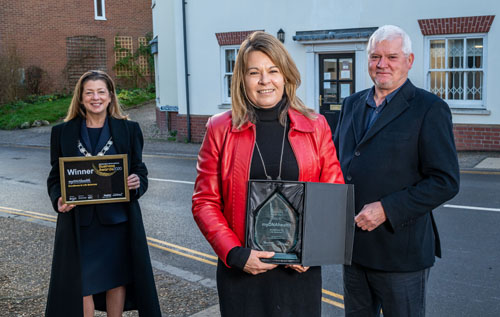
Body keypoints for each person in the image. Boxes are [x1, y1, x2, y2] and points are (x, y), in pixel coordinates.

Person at [192, 31, 344, 316]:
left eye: (273, 70)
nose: (265, 81)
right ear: (242, 79)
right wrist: (235, 254)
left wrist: (313, 250)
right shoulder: (219, 129)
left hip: (299, 272)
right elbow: (204, 202)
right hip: (242, 271)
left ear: (285, 75)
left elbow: (332, 194)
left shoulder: (316, 125)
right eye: (254, 72)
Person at [334, 25, 460, 316]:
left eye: (391, 56)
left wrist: (387, 209)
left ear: (409, 61)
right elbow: (336, 164)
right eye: (375, 56)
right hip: (353, 249)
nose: (382, 64)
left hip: (400, 254)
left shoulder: (430, 108)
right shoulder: (351, 104)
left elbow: (445, 181)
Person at [46, 70, 161, 316]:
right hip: (80, 223)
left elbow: (140, 170)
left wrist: (136, 181)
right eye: (89, 92)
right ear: (81, 98)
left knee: (115, 279)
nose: (95, 97)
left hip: (117, 220)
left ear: (110, 96)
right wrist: (58, 199)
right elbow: (55, 176)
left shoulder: (129, 130)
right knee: (83, 284)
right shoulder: (62, 132)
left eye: (101, 92)